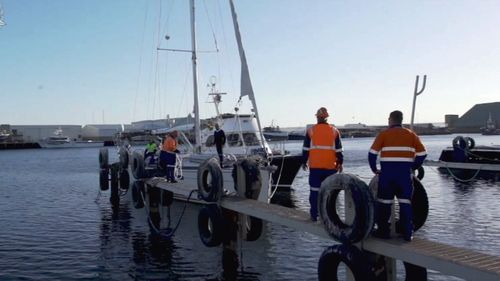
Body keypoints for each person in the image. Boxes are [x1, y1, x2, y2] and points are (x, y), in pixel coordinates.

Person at [368, 110, 427, 242]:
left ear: (390, 120)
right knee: (405, 203)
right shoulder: (411, 135)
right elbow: (423, 153)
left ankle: (383, 231)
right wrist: (413, 166)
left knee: (384, 204)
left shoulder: (383, 135)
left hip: (387, 176)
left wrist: (374, 169)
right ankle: (407, 233)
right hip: (404, 176)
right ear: (401, 120)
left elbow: (372, 154)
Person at [302, 107, 343, 221]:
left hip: (315, 168)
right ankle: (329, 217)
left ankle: (314, 215)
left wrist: (304, 161)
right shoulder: (334, 131)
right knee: (330, 193)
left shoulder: (311, 131)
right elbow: (339, 150)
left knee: (314, 192)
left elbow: (305, 149)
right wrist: (340, 163)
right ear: (326, 117)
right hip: (331, 167)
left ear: (317, 117)